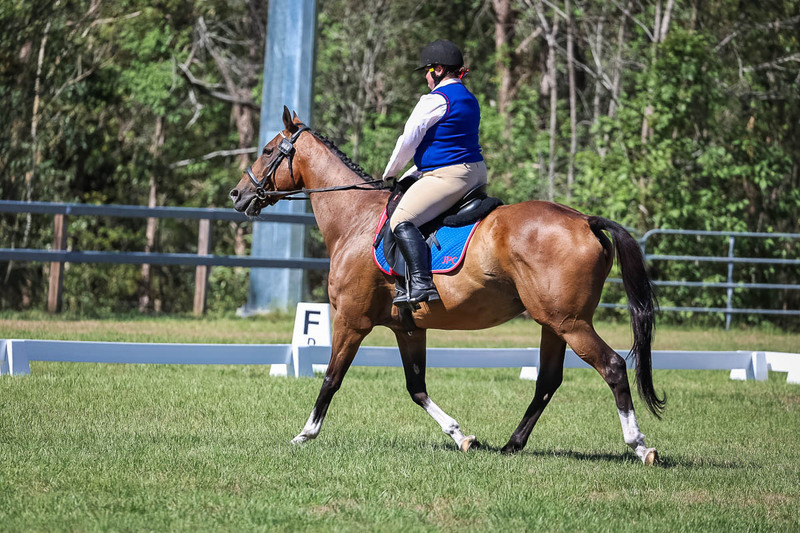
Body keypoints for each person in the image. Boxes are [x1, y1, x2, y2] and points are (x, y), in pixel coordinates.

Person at [383, 39, 487, 307]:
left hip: (449, 176)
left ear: (438, 70)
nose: (426, 78)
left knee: (401, 220)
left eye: (427, 72)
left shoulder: (435, 100)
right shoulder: (469, 98)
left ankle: (421, 283)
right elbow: (443, 144)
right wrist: (409, 174)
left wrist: (390, 173)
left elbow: (408, 141)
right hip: (475, 172)